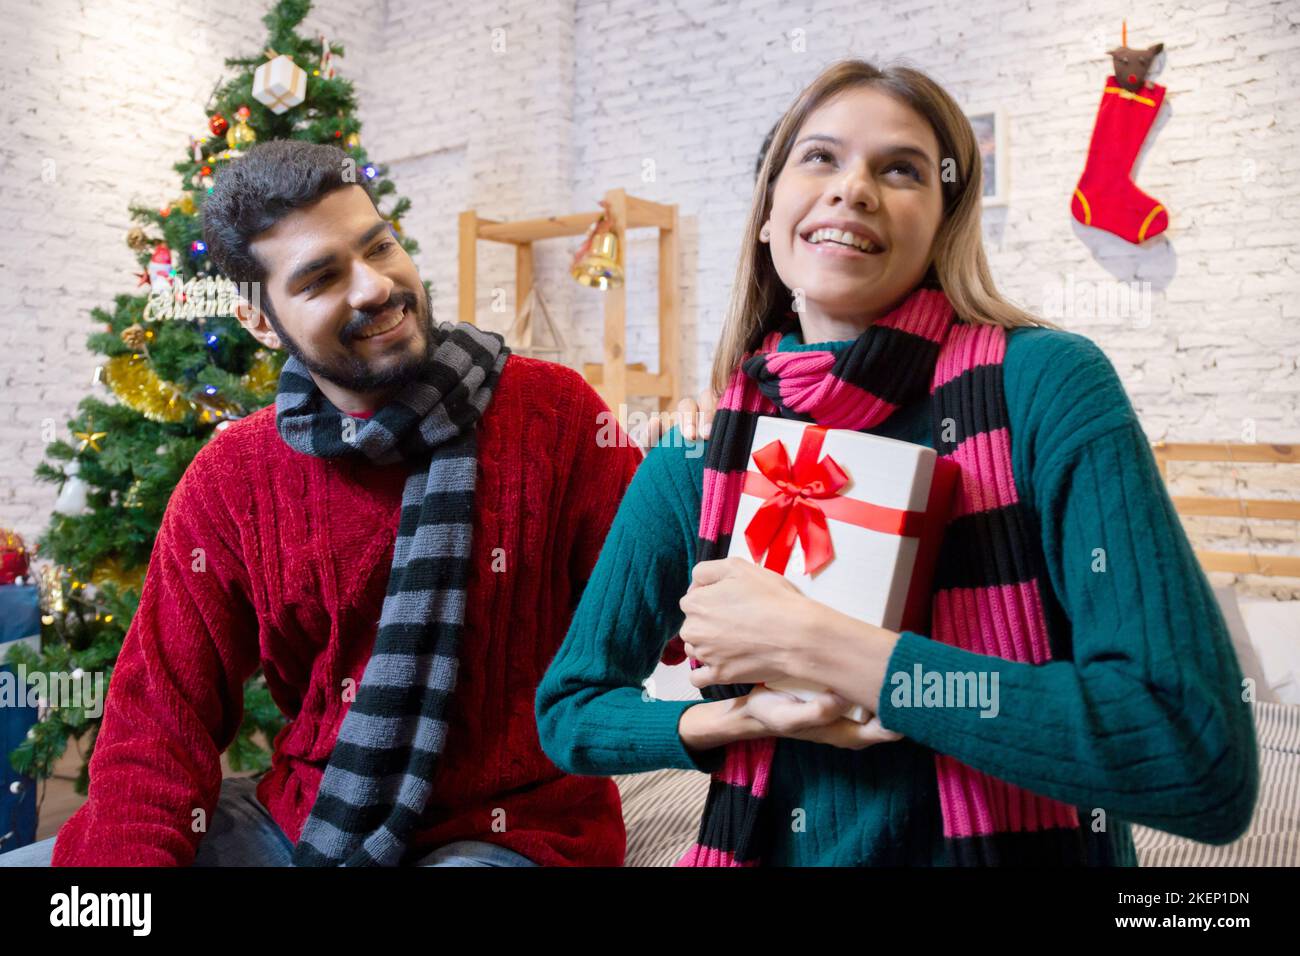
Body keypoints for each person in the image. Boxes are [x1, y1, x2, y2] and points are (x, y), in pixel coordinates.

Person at [536, 59, 1259, 866]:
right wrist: (738, 720)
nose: (854, 188)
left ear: (945, 223)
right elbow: (571, 711)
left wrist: (819, 644)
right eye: (819, 157)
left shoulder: (1046, 385)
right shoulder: (701, 452)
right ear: (768, 214)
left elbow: (1194, 755)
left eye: (902, 169)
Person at [1, 139, 646, 867]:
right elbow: (158, 720)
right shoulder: (233, 475)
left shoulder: (554, 415)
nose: (374, 287)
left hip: (509, 832)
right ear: (258, 321)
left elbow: (671, 605)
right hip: (306, 818)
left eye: (379, 247)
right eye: (321, 278)